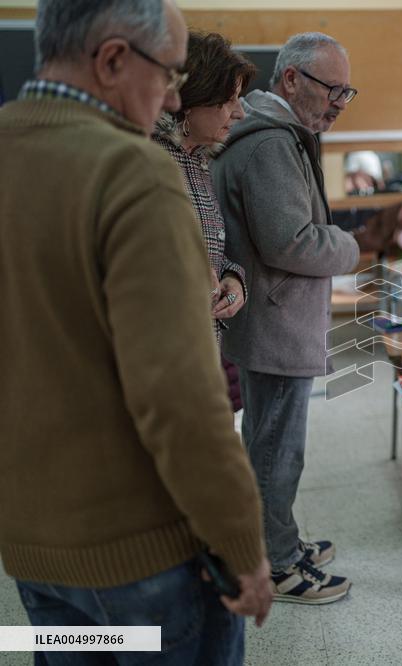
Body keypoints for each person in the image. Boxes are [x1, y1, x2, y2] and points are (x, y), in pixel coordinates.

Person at [0, 0, 271, 662]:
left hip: (31, 547)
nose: (174, 97)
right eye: (170, 74)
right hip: (144, 556)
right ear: (114, 59)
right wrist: (241, 543)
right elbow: (180, 396)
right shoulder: (135, 171)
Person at [211, 31, 360, 605]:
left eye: (347, 92)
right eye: (331, 89)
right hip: (275, 324)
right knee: (277, 451)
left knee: (268, 443)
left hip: (272, 319)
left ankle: (278, 540)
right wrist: (348, 245)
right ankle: (275, 564)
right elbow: (290, 242)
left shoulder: (278, 132)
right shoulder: (271, 143)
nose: (339, 103)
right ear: (291, 79)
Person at [152, 31, 254, 343]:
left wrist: (232, 278)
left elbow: (206, 251)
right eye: (228, 100)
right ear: (191, 101)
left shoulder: (198, 160)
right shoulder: (147, 159)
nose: (240, 112)